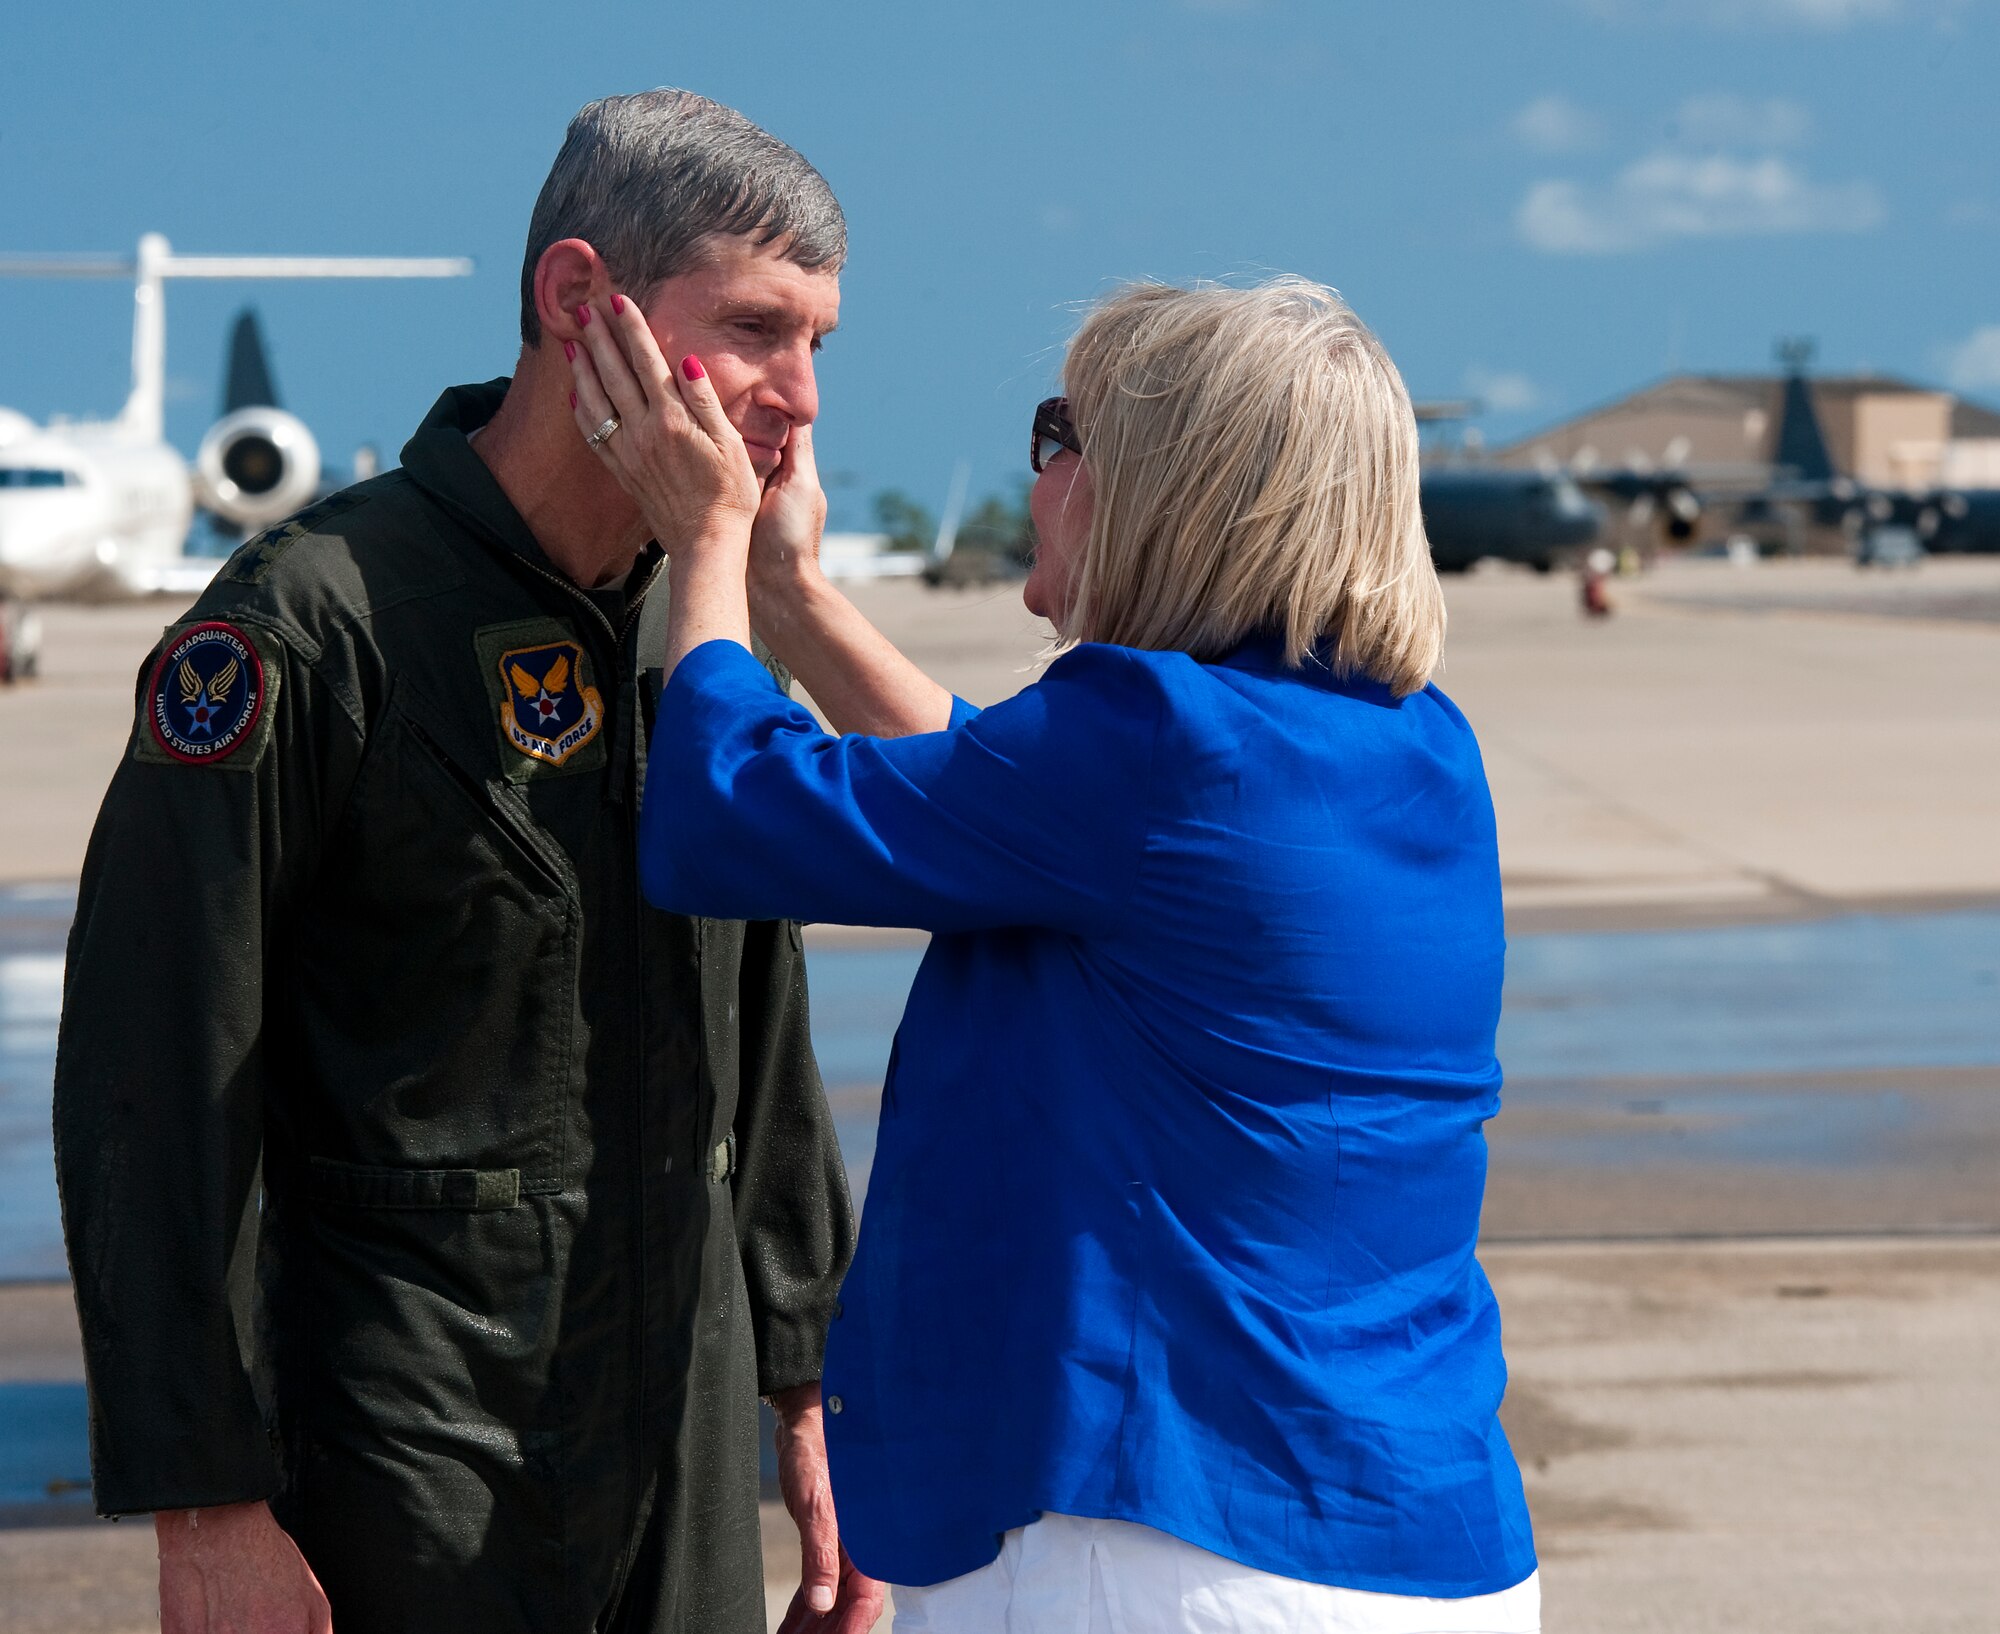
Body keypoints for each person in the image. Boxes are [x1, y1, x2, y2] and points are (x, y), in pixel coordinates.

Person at [563, 275, 1541, 1631]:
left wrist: (709, 546)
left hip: (1168, 1543)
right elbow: (994, 803)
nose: (1042, 477)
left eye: (1058, 436)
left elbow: (723, 812)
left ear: (1163, 485)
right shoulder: (1415, 745)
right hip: (1421, 1539)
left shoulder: (1145, 737)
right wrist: (793, 593)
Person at [53, 89, 882, 1634]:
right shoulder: (315, 624)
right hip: (408, 1463)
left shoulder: (691, 630)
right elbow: (148, 1070)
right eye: (762, 329)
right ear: (582, 303)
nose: (802, 395)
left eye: (822, 342)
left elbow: (758, 1035)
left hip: (675, 1455)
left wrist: (812, 1383)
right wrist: (206, 1498)